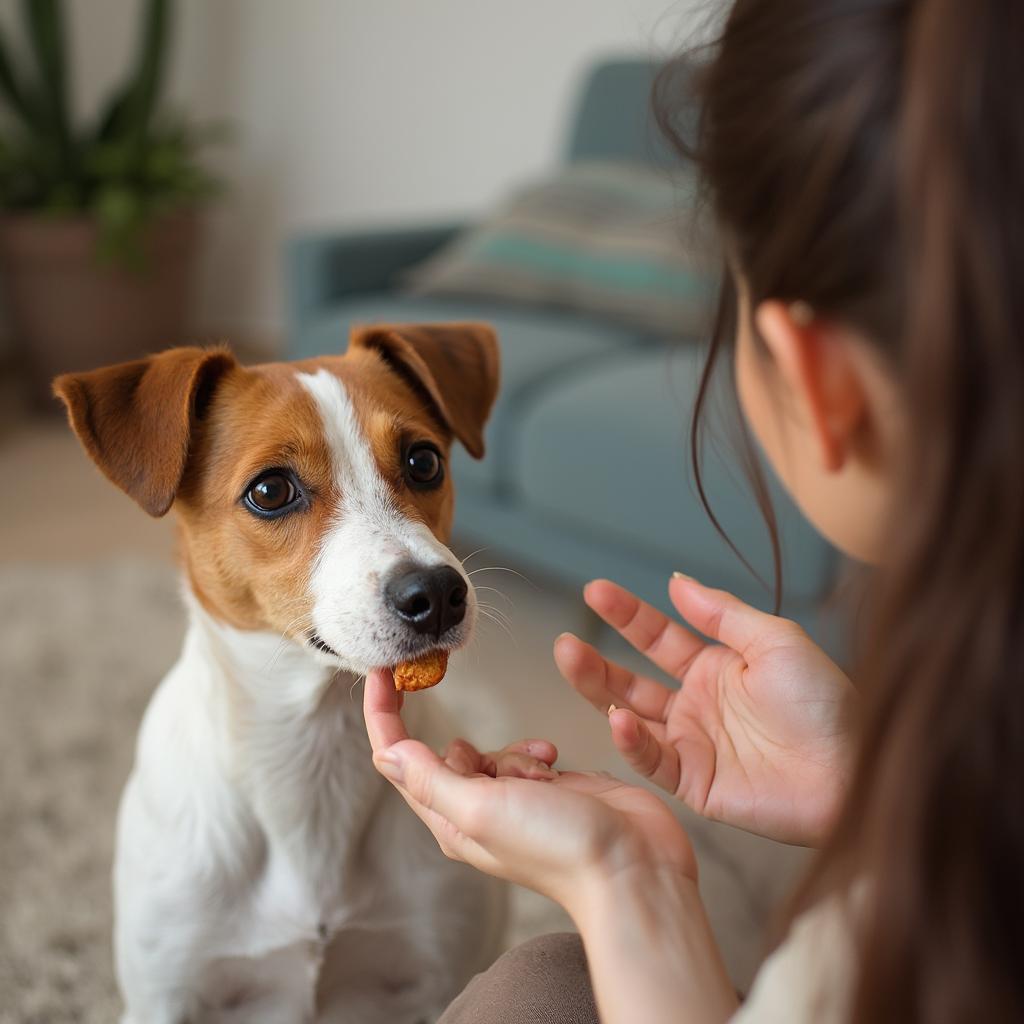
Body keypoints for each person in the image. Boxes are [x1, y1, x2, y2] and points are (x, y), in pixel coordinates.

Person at [364, 0, 1024, 1019]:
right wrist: (879, 787)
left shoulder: (867, 957)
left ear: (820, 379)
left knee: (530, 990)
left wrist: (623, 880)